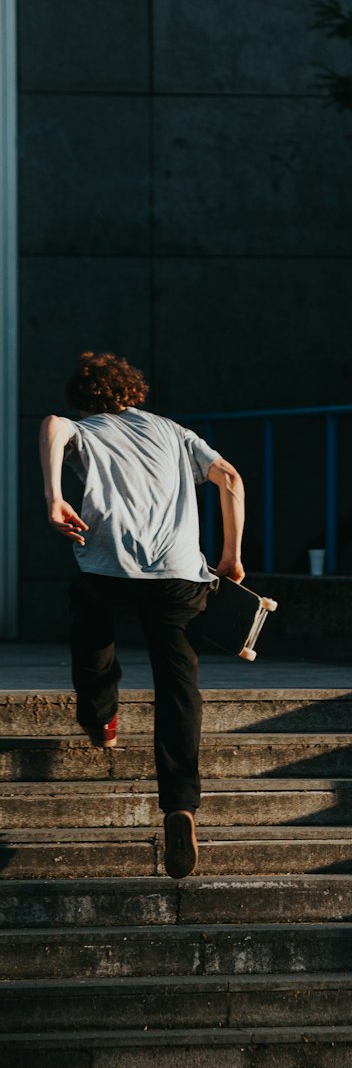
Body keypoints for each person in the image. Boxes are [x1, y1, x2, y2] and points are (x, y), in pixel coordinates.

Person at [38, 351, 246, 879]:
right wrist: (230, 555)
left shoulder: (84, 426)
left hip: (108, 567)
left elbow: (53, 425)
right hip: (179, 575)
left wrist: (55, 496)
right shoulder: (175, 431)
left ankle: (101, 714)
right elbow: (231, 479)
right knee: (179, 685)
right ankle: (180, 806)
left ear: (84, 399)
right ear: (134, 393)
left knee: (90, 624)